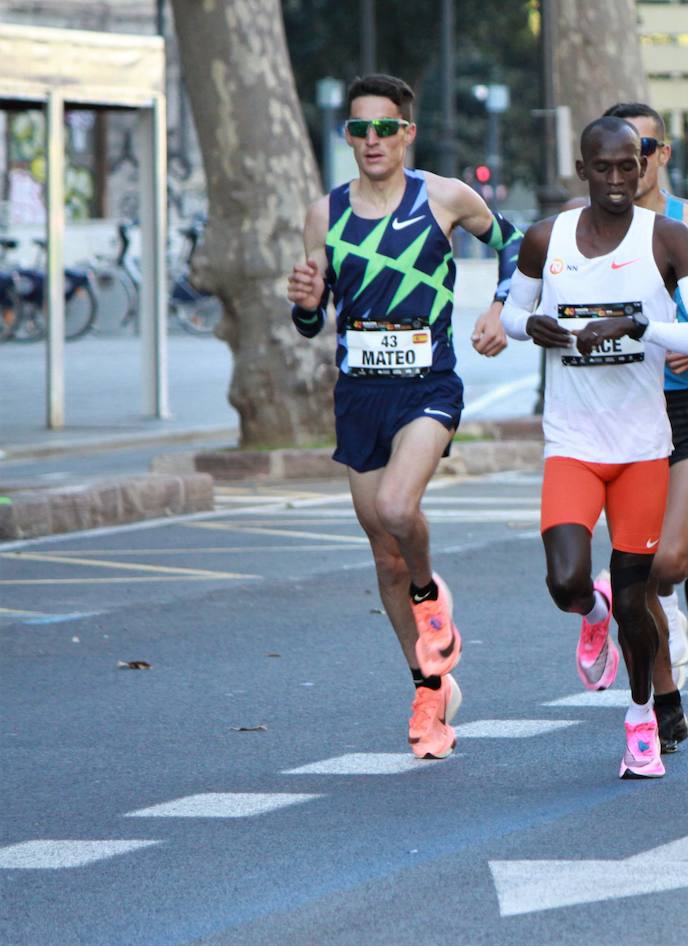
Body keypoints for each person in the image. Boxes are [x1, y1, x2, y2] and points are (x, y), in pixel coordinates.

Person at [286, 75, 523, 760]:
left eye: (384, 128)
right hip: (359, 394)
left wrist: (500, 308)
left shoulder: (444, 197)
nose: (371, 141)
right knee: (383, 556)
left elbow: (515, 243)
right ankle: (429, 687)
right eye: (358, 130)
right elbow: (310, 321)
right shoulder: (322, 213)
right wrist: (304, 303)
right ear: (348, 138)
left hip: (428, 385)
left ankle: (431, 593)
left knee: (397, 507)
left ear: (406, 133)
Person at [497, 117, 688, 780]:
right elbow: (510, 311)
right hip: (572, 441)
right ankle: (588, 616)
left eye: (630, 165)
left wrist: (642, 325)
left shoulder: (669, 240)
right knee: (566, 579)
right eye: (605, 168)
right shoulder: (547, 238)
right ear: (584, 167)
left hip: (643, 448)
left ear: (645, 164)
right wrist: (528, 324)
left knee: (635, 595)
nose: (619, 180)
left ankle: (641, 717)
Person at [599, 102, 688, 753]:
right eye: (624, 149)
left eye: (647, 146)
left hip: (681, 411)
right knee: (638, 574)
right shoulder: (587, 229)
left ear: (662, 153)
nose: (637, 159)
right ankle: (664, 699)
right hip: (616, 415)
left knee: (668, 560)